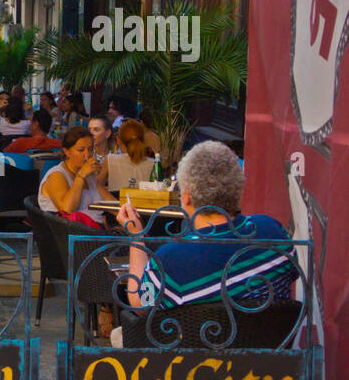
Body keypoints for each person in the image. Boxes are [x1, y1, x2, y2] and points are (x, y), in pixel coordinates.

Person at [116, 141, 296, 310]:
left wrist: (136, 236)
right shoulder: (272, 231)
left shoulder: (173, 258)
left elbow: (140, 303)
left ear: (186, 196)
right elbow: (292, 274)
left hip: (199, 342)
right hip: (273, 342)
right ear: (237, 189)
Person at [38, 126, 117, 224]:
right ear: (67, 152)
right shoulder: (57, 175)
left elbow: (114, 206)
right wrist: (81, 175)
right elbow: (66, 209)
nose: (87, 154)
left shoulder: (90, 178)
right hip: (71, 234)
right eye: (81, 150)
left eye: (90, 149)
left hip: (95, 231)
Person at [101, 118, 156, 191]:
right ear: (143, 140)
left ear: (118, 140)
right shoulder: (153, 163)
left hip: (117, 201)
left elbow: (97, 186)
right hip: (143, 202)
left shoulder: (110, 160)